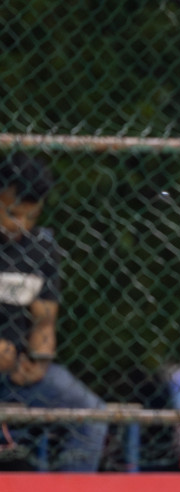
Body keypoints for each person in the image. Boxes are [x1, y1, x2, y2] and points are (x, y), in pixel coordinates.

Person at [0, 153, 106, 472]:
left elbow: (45, 319)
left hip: (17, 372)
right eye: (11, 213)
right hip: (7, 359)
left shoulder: (40, 248)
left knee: (92, 414)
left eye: (30, 217)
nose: (19, 226)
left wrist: (40, 359)